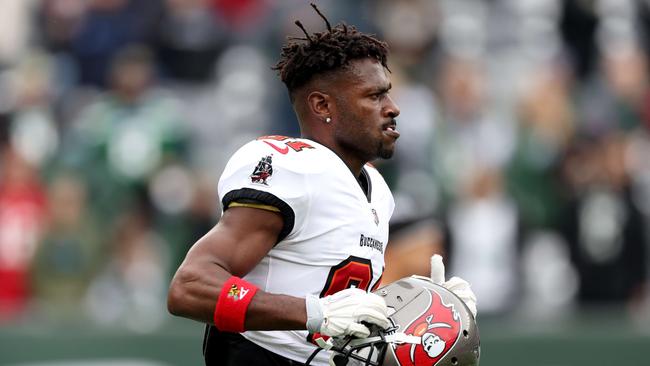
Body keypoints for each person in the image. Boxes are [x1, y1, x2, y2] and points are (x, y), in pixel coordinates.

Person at [167, 4, 476, 365]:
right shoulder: (291, 168)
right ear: (322, 105)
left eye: (388, 93)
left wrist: (429, 305)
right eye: (374, 96)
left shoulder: (376, 189)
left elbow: (344, 306)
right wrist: (312, 312)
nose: (393, 107)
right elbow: (189, 287)